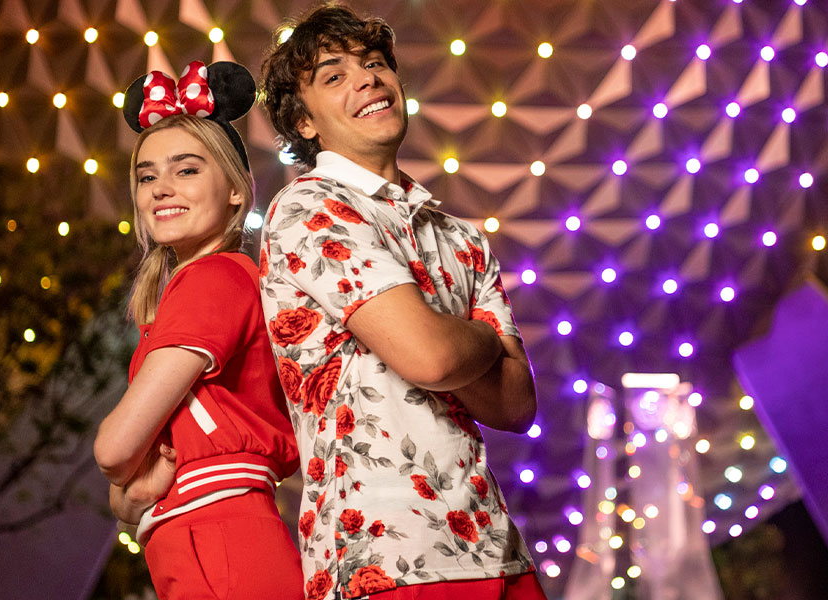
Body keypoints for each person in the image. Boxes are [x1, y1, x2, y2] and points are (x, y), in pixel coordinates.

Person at [257, 6, 546, 599]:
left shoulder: (461, 237)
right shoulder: (309, 210)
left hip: (495, 549)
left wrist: (441, 341)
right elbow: (430, 358)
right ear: (303, 122)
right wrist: (484, 341)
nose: (366, 78)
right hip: (383, 558)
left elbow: (516, 405)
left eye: (375, 63)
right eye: (333, 75)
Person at [93, 60, 303, 599]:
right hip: (205, 537)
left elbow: (116, 450)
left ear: (235, 190)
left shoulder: (213, 280)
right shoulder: (200, 285)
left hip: (220, 538)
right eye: (147, 176)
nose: (162, 188)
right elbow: (126, 490)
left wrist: (124, 486)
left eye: (187, 170)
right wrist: (128, 496)